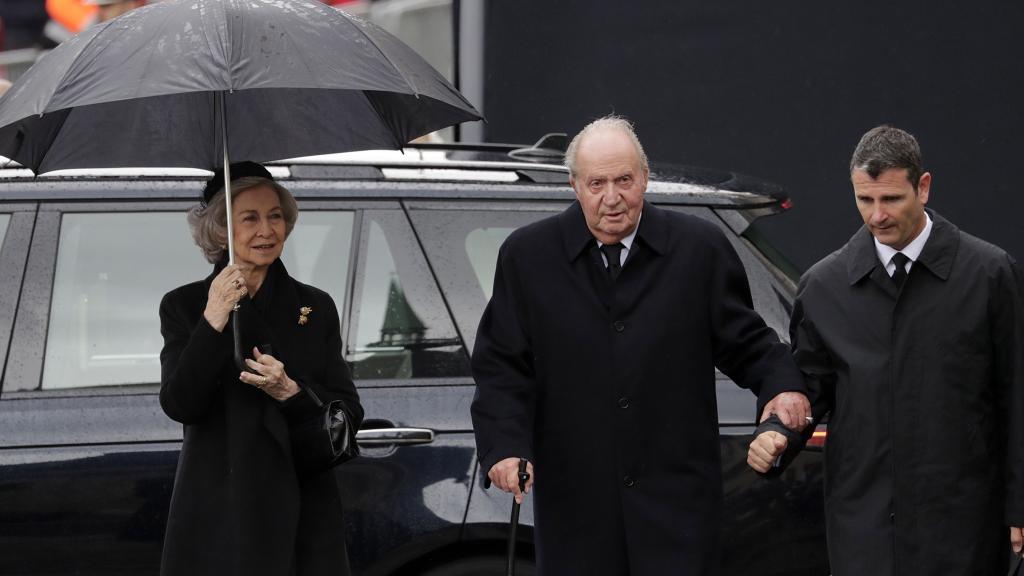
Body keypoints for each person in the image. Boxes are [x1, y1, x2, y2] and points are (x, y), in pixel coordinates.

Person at [470, 115, 811, 575]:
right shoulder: (527, 257)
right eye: (597, 184)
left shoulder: (698, 250)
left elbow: (749, 344)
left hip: (678, 512)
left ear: (645, 178)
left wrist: (783, 389)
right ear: (574, 187)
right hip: (577, 515)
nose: (612, 198)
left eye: (624, 180)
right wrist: (506, 446)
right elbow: (501, 367)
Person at [747, 125, 1024, 575]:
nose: (877, 216)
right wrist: (778, 431)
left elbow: (1017, 394)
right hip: (864, 528)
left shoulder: (989, 274)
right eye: (864, 199)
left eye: (891, 199)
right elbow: (808, 390)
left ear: (924, 187)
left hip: (963, 527)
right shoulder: (824, 287)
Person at [159, 161, 363, 576]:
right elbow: (181, 403)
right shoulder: (184, 305)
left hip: (303, 503)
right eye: (249, 218)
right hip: (222, 507)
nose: (267, 230)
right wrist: (214, 317)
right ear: (219, 231)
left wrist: (291, 391)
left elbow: (348, 410)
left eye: (275, 216)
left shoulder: (315, 306)